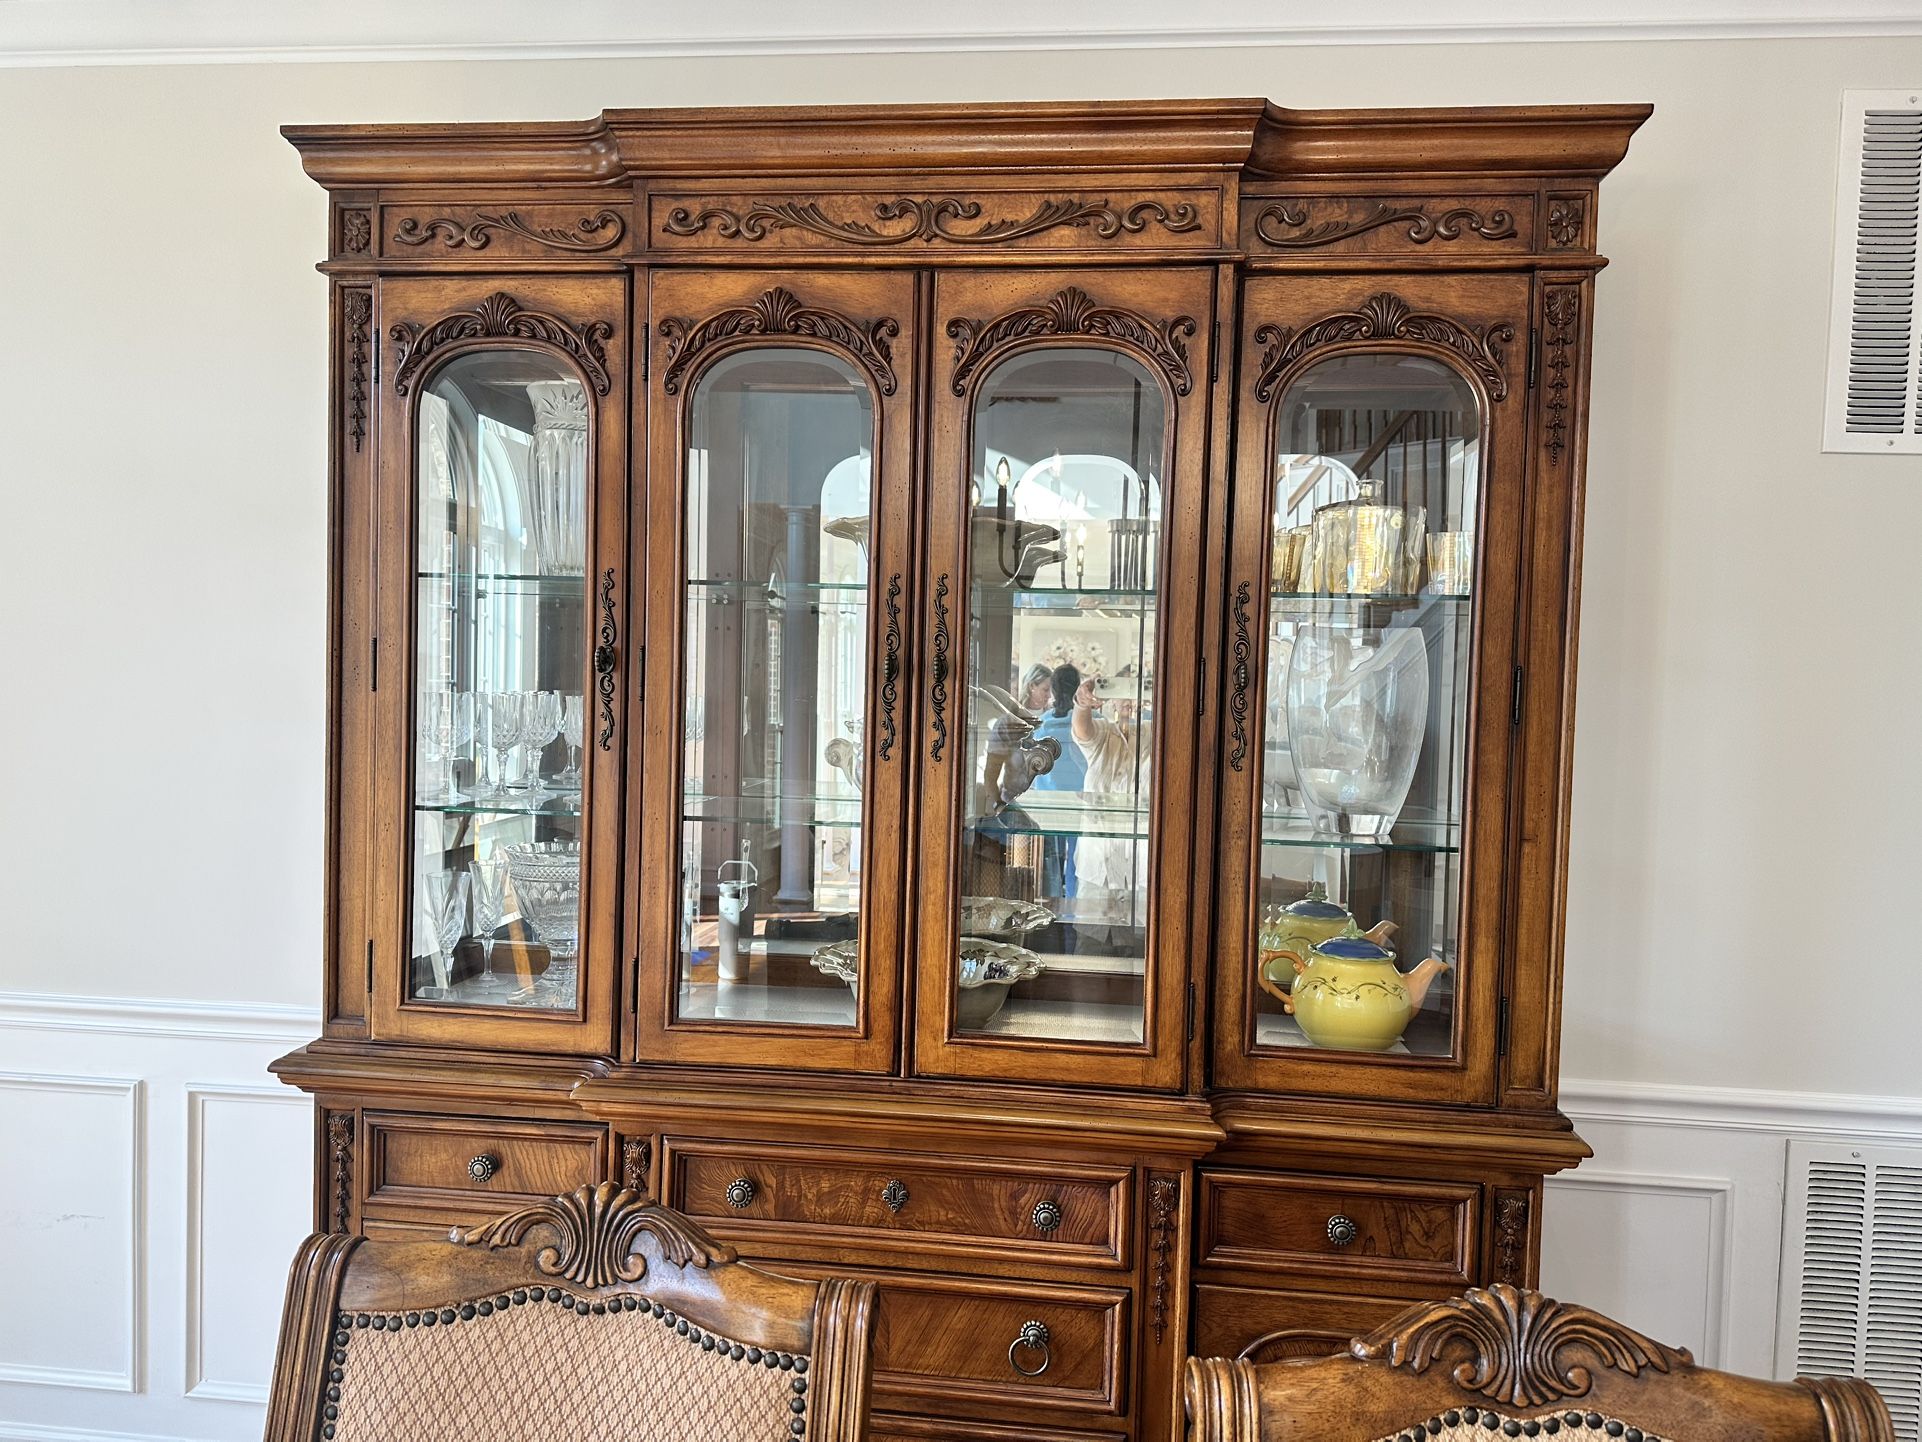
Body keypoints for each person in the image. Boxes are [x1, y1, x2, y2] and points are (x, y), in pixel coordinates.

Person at [1027, 664, 1088, 898]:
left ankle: (1051, 910)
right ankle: (1073, 908)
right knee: (1077, 862)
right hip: (1081, 804)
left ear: (1052, 690)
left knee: (1051, 862)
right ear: (1077, 688)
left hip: (1048, 805)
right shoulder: (1090, 722)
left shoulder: (1040, 725)